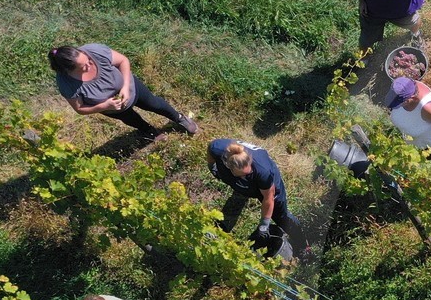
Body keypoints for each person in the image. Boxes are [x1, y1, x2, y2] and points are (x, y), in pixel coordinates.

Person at [48, 44, 197, 136]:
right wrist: (105, 106)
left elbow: (123, 60)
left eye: (88, 60)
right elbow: (80, 109)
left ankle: (179, 118)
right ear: (68, 70)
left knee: (154, 104)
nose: (89, 65)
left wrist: (125, 86)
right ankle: (150, 132)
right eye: (83, 67)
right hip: (112, 109)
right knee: (131, 119)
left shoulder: (94, 51)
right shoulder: (65, 83)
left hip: (131, 88)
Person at [207, 138, 311, 257]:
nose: (248, 174)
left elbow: (268, 199)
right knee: (239, 194)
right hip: (239, 178)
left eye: (249, 172)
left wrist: (264, 224)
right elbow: (210, 149)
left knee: (281, 216)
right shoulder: (218, 148)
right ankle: (239, 198)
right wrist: (212, 166)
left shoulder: (263, 172)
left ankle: (303, 244)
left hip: (269, 186)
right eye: (244, 174)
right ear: (229, 167)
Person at [386, 77, 431, 159]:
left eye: (400, 103)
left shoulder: (428, 108)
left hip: (428, 147)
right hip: (413, 142)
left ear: (411, 98)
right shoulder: (405, 86)